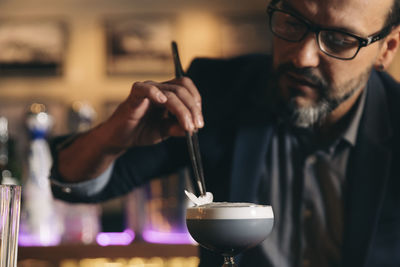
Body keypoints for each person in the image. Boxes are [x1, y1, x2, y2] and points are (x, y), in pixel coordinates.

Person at [49, 0, 400, 266]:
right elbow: (72, 184)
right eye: (293, 23)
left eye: (339, 40)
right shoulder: (217, 92)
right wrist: (113, 136)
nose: (303, 56)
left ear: (387, 49)